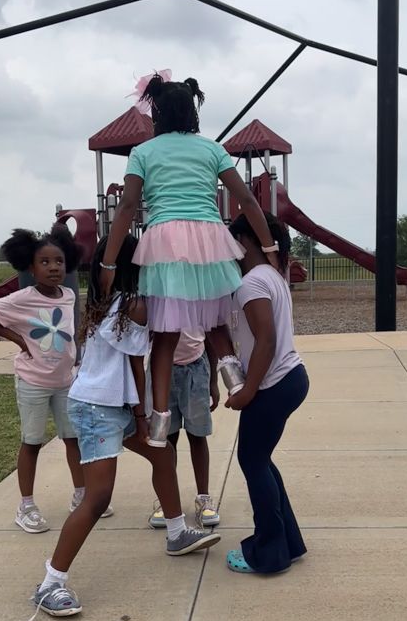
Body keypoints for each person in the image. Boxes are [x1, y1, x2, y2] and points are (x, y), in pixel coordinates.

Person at [31, 235, 221, 618]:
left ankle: (176, 532)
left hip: (113, 403)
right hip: (99, 407)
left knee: (163, 456)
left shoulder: (111, 302)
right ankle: (51, 582)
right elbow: (137, 365)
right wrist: (142, 415)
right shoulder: (131, 305)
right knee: (98, 496)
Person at [99, 72, 279, 448]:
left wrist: (109, 262)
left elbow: (129, 206)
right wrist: (270, 247)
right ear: (193, 111)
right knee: (214, 323)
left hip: (165, 240)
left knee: (164, 338)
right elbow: (246, 200)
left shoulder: (143, 152)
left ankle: (160, 422)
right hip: (210, 239)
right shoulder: (212, 150)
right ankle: (236, 383)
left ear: (158, 113)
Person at [0, 226, 98, 532]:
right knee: (32, 442)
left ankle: (81, 495)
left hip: (65, 381)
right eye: (45, 262)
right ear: (31, 266)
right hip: (33, 382)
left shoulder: (68, 295)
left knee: (73, 439)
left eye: (59, 261)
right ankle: (26, 506)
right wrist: (18, 340)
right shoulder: (21, 298)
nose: (54, 267)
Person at [223, 212, 309, 574]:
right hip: (291, 378)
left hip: (273, 383)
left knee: (253, 462)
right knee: (262, 461)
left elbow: (266, 340)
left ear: (244, 241)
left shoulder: (251, 283)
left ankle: (268, 552)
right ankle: (287, 541)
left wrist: (248, 391)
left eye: (231, 241)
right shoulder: (272, 275)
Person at [148, 330, 221, 530]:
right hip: (163, 372)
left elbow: (211, 337)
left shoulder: (198, 300)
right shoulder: (158, 300)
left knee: (197, 436)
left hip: (196, 369)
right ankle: (168, 500)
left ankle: (203, 497)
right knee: (166, 440)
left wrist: (213, 381)